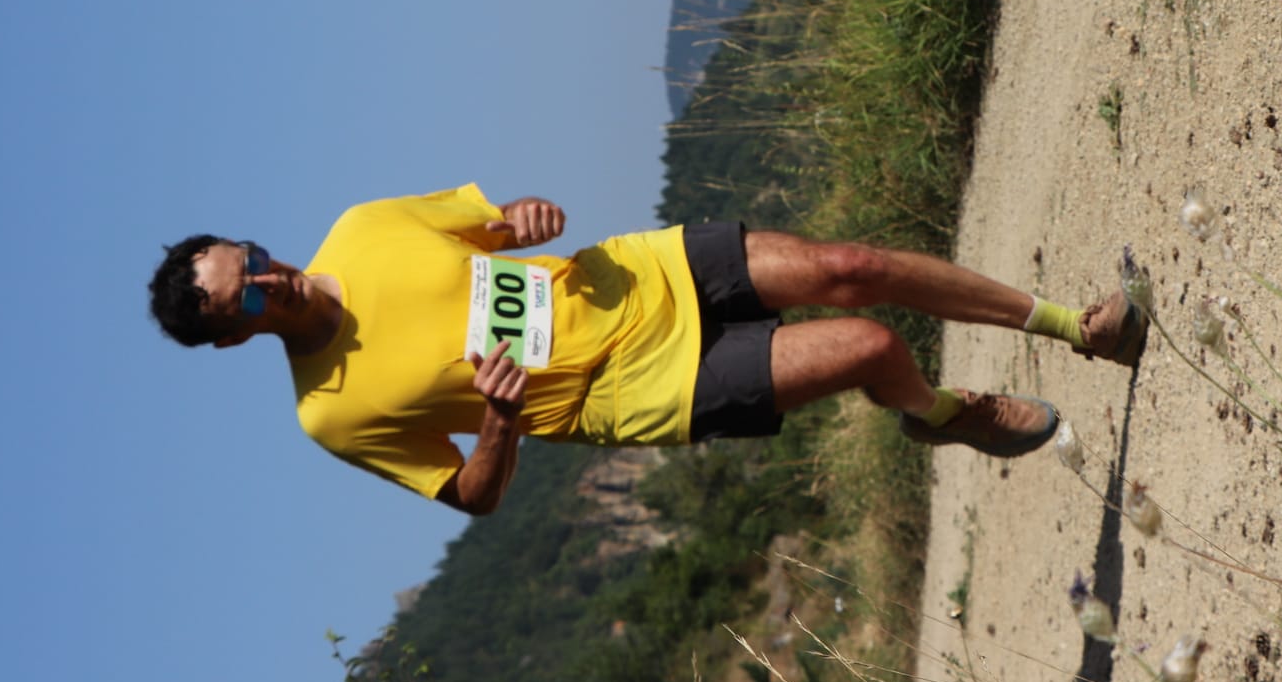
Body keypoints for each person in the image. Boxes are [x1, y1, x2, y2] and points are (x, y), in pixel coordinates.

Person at [147, 184, 1146, 514]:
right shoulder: (328, 411)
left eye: (259, 260)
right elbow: (470, 497)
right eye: (254, 297)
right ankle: (939, 416)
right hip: (632, 390)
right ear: (234, 333)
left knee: (850, 265)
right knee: (868, 346)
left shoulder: (362, 227)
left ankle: (1073, 326)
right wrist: (498, 416)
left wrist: (522, 218)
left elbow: (490, 229)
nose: (278, 279)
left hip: (629, 276)